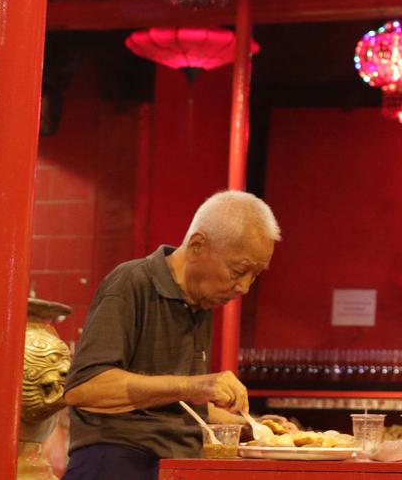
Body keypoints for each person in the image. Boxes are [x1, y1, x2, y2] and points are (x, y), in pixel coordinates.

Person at [63, 190, 280, 480]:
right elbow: (84, 389)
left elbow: (174, 406)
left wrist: (252, 427)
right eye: (238, 271)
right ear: (197, 246)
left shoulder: (200, 301)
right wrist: (193, 386)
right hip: (118, 460)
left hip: (177, 464)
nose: (244, 287)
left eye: (255, 275)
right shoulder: (131, 282)